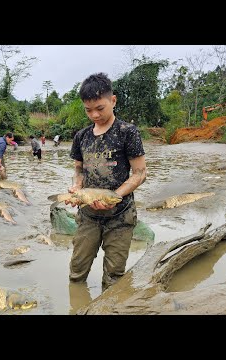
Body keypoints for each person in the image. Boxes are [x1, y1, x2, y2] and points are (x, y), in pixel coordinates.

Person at [66, 72, 146, 292]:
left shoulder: (127, 132)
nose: (94, 115)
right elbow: (78, 170)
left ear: (113, 100)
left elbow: (140, 173)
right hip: (88, 216)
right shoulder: (81, 137)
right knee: (76, 273)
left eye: (99, 108)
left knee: (114, 278)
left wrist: (113, 197)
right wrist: (77, 187)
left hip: (120, 216)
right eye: (88, 110)